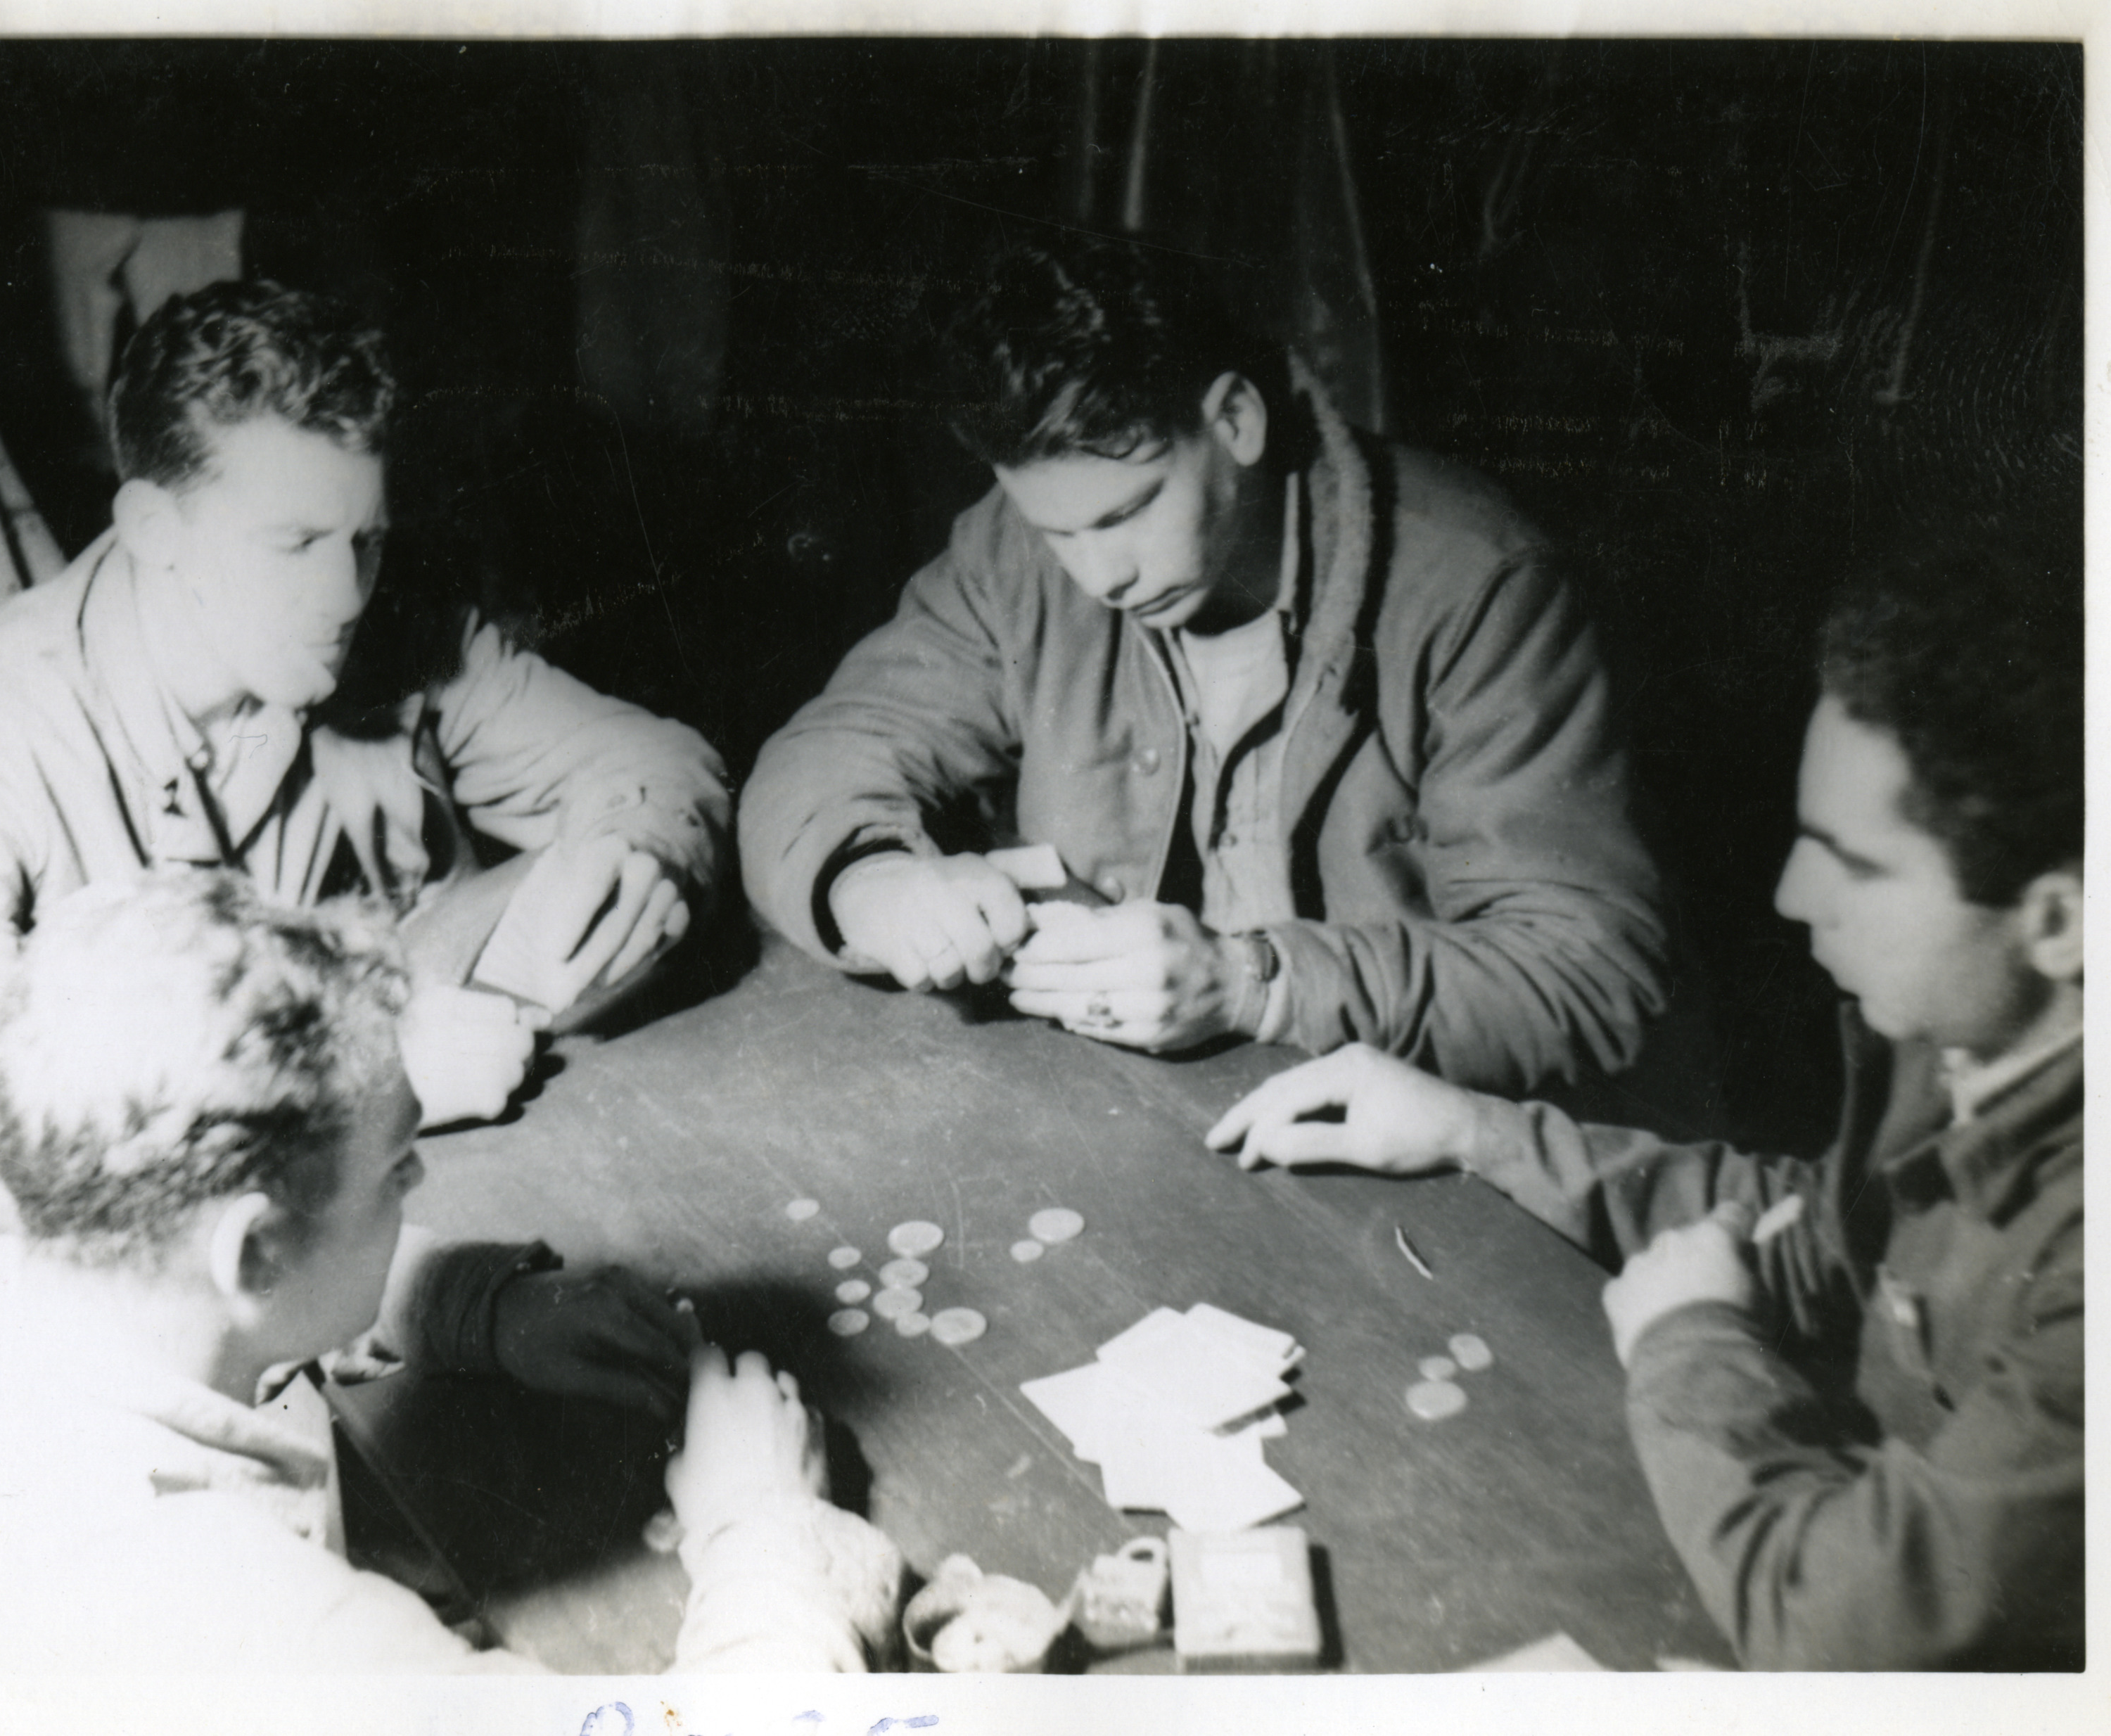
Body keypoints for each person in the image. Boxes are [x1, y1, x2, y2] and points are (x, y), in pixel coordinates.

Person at [1206, 540, 2082, 1669]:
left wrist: (1691, 1340)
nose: (1790, 896)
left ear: (2061, 920)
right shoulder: (1968, 1035)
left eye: (1853, 864)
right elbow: (1827, 1238)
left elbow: (1841, 1631)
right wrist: (1474, 1131)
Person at [0, 869, 903, 1672]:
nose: (419, 1196)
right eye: (396, 1170)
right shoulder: (248, 1625)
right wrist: (761, 1529)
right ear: (252, 1250)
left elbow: (205, 1283)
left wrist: (473, 1301)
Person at [0, 279, 729, 1239]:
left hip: (370, 1218)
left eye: (366, 541)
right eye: (294, 543)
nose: (345, 595)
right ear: (152, 528)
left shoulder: (392, 629)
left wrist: (635, 862)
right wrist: (340, 1082)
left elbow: (658, 762)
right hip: (116, 1265)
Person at [741, 235, 1667, 1095]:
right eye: (1058, 529)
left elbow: (1588, 976)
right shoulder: (1013, 556)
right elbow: (828, 750)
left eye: (1127, 513)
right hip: (1154, 1119)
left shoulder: (1482, 586)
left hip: (1428, 1144)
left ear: (1235, 420)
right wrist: (873, 884)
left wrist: (1251, 983)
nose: (1103, 575)